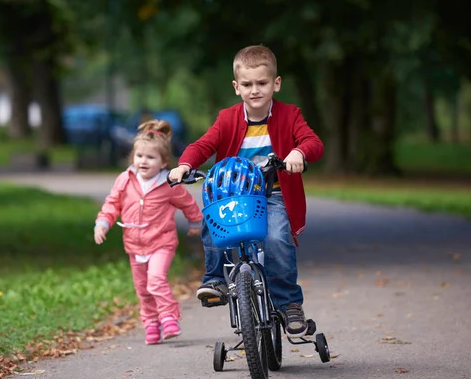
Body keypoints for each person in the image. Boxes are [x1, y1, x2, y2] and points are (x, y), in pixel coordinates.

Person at [168, 45, 324, 337]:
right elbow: (203, 145)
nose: (255, 90)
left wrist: (299, 153)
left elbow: (313, 142)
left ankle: (289, 303)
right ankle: (215, 279)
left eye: (262, 83)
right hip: (236, 194)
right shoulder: (227, 118)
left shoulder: (290, 115)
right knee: (213, 223)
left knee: (277, 238)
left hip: (274, 194)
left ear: (275, 84)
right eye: (248, 84)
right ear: (236, 87)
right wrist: (185, 164)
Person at [94, 119, 203, 345]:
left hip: (162, 242)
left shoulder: (168, 184)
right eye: (139, 156)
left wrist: (195, 222)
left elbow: (188, 203)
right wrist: (103, 223)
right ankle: (151, 323)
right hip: (134, 245)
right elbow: (112, 204)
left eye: (150, 157)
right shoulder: (125, 180)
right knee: (143, 289)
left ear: (163, 162)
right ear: (132, 157)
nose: (143, 161)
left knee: (155, 279)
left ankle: (168, 317)